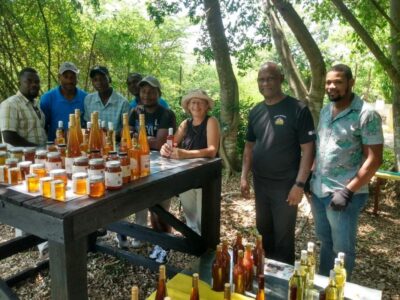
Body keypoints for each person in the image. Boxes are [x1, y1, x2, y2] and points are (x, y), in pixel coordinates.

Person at [310, 64, 383, 280]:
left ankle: (338, 291)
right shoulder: (325, 110)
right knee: (325, 243)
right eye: (328, 82)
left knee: (342, 250)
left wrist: (348, 191)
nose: (332, 86)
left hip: (344, 194)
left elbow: (374, 159)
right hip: (319, 191)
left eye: (338, 82)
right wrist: (310, 177)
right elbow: (321, 148)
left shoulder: (366, 114)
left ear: (351, 83)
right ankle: (324, 288)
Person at [240, 62, 315, 265]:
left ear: (281, 79)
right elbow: (248, 147)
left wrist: (299, 185)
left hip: (286, 185)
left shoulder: (298, 109)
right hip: (261, 183)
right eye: (261, 79)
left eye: (270, 78)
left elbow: (308, 150)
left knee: (283, 239)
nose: (265, 83)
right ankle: (267, 279)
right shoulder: (256, 111)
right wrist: (244, 177)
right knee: (264, 233)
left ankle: (283, 287)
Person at [122, 75, 175, 263]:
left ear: (159, 93)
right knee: (142, 201)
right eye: (144, 91)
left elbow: (160, 142)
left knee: (161, 207)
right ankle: (148, 238)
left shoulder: (166, 114)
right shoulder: (135, 112)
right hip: (138, 164)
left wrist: (139, 138)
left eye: (152, 91)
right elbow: (126, 138)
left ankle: (164, 244)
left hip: (162, 166)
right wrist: (141, 140)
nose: (147, 95)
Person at [160, 89, 220, 235]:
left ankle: (206, 250)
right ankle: (195, 248)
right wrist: (165, 149)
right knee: (191, 218)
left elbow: (212, 150)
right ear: (188, 106)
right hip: (187, 177)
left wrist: (185, 154)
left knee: (204, 217)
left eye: (200, 102)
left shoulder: (211, 121)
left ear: (207, 106)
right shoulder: (185, 124)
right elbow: (171, 143)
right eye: (193, 102)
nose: (196, 105)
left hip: (206, 177)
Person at [0, 67, 47, 147]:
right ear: (19, 83)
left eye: (37, 82)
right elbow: (9, 137)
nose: (34, 85)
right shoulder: (10, 104)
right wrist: (37, 148)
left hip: (39, 156)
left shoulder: (36, 105)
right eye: (29, 81)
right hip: (20, 158)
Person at [40, 62, 87, 141]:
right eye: (66, 77)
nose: (69, 80)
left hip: (79, 147)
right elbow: (42, 126)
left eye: (72, 77)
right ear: (59, 77)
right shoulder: (47, 98)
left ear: (76, 78)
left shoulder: (85, 98)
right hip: (55, 148)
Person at [84, 66, 130, 134]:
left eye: (102, 78)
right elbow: (87, 125)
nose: (99, 82)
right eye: (95, 80)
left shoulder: (123, 103)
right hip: (94, 142)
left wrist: (108, 135)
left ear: (109, 79)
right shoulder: (88, 100)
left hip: (115, 142)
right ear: (92, 82)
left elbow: (125, 131)